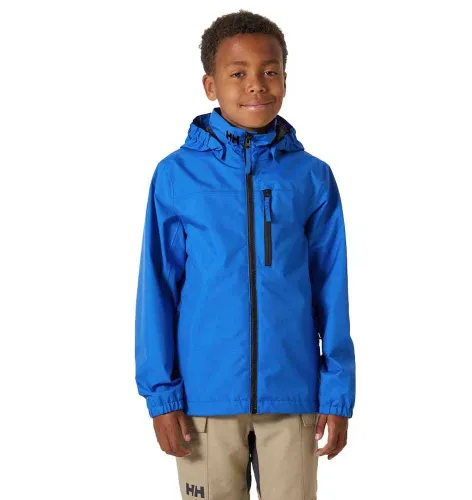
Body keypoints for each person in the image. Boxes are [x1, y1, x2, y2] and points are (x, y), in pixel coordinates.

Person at [135, 9, 356, 499]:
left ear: (285, 80)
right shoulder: (176, 176)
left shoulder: (312, 177)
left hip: (293, 397)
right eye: (238, 73)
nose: (257, 84)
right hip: (204, 403)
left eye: (270, 71)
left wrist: (338, 393)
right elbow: (157, 290)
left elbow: (332, 290)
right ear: (210, 85)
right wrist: (162, 396)